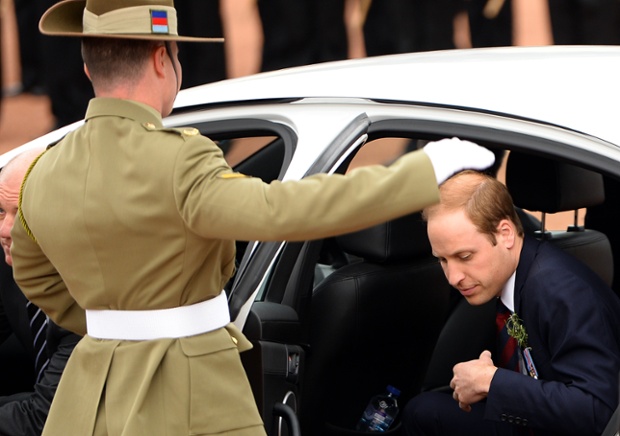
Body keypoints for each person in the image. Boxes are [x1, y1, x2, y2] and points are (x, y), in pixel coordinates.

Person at [9, 1, 495, 435]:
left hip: (85, 400)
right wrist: (421, 173)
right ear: (163, 59)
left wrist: (114, 321)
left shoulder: (42, 170)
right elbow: (285, 210)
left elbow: (31, 274)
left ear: (88, 67)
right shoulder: (181, 159)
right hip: (190, 396)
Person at [403, 170, 620, 435]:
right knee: (425, 409)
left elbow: (597, 411)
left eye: (465, 256)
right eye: (443, 260)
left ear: (505, 234)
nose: (453, 277)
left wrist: (491, 382)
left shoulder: (559, 290)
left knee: (422, 414)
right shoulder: (518, 273)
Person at [0, 148, 81, 435]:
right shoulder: (12, 258)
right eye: (0, 211)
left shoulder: (94, 290)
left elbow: (45, 416)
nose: (6, 230)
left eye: (22, 213)